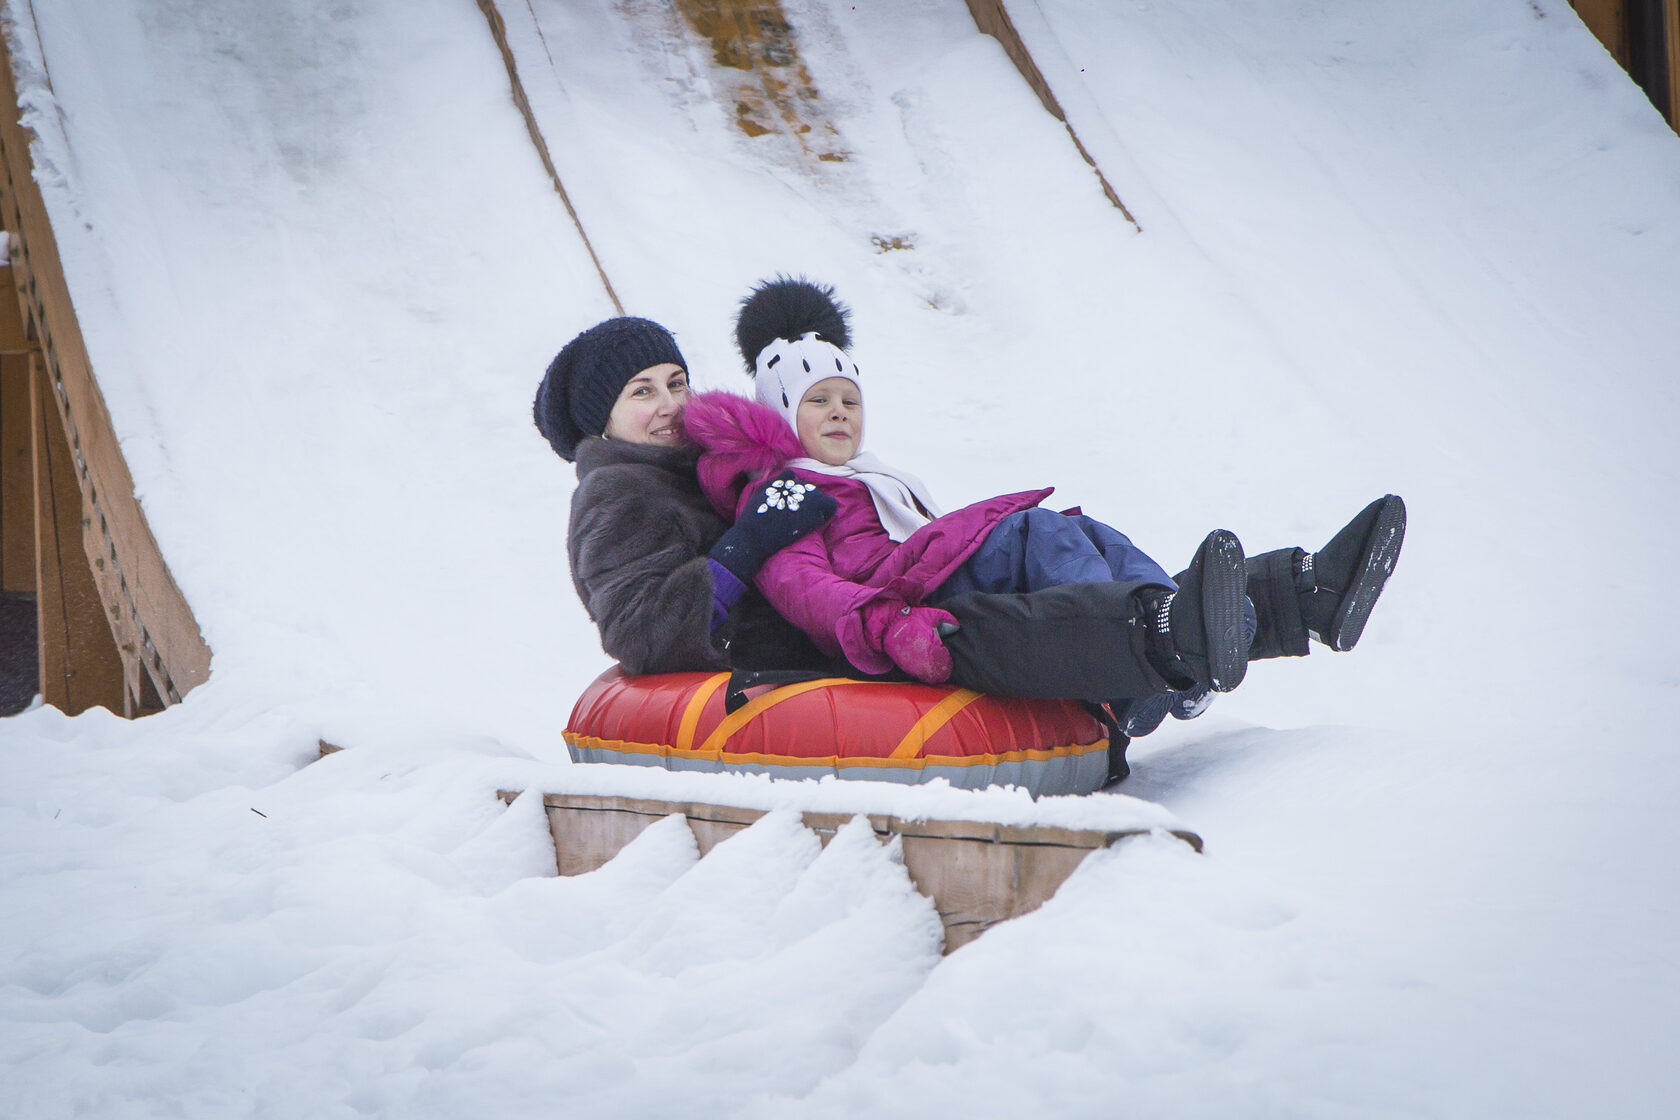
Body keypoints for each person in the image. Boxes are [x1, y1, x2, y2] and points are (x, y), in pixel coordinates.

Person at [680, 276, 1406, 735]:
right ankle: (1155, 650)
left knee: (1077, 529)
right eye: (818, 404)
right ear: (780, 410)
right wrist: (888, 623)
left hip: (928, 570)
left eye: (849, 400)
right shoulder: (785, 495)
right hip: (908, 597)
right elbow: (806, 588)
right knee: (1031, 533)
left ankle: (1302, 597)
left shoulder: (873, 476)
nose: (840, 415)